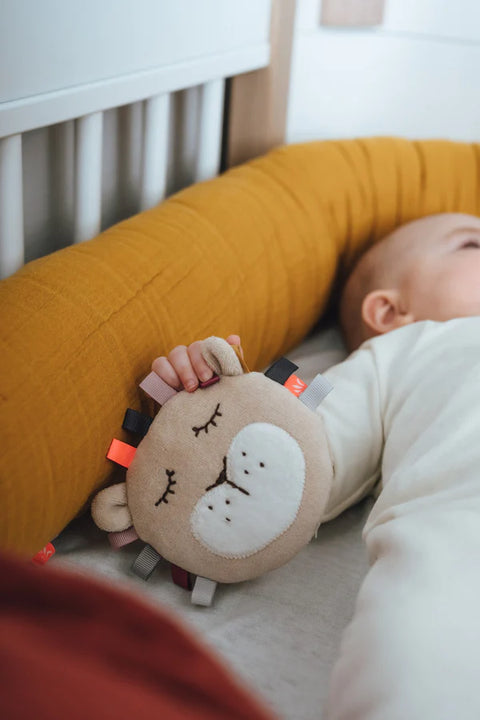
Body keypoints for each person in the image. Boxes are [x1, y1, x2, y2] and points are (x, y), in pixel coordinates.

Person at [151, 212, 480, 720]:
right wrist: (206, 411)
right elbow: (299, 454)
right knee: (426, 662)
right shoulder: (403, 352)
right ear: (390, 311)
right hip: (458, 542)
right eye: (471, 244)